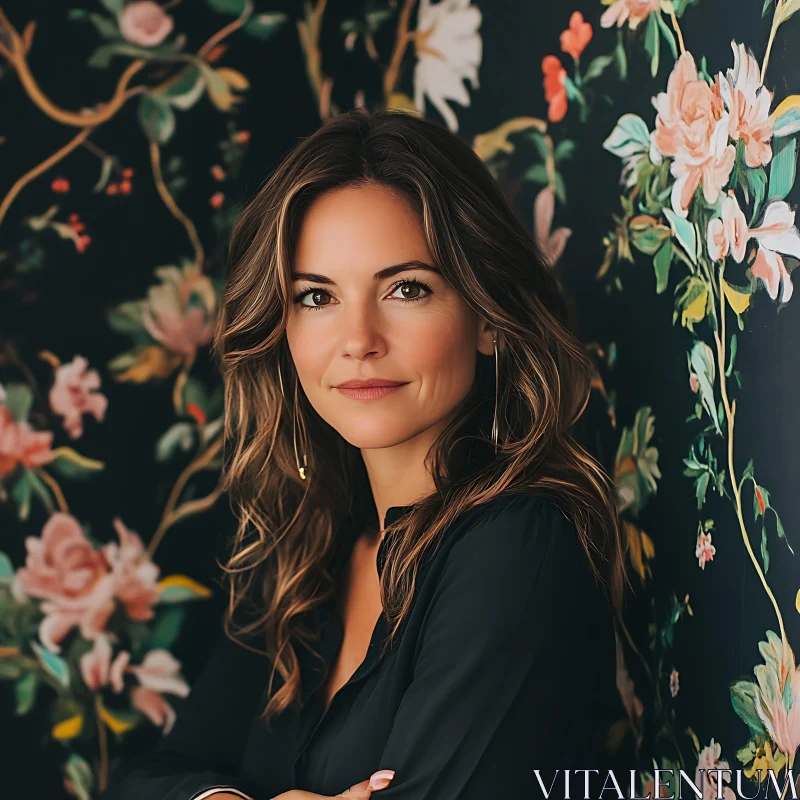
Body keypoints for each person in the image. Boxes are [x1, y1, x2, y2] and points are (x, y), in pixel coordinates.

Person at [101, 108, 629, 800]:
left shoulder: (515, 547)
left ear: (490, 320)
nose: (358, 339)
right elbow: (144, 780)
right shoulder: (307, 556)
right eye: (316, 297)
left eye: (406, 289)